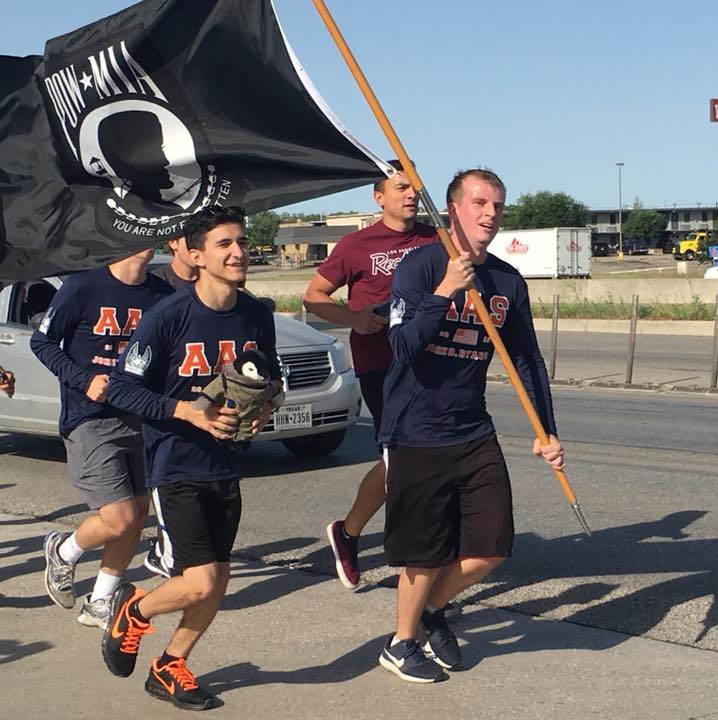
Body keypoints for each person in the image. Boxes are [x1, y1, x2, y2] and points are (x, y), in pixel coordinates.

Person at [377, 169, 564, 683]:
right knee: (423, 552)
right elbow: (402, 348)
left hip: (472, 429)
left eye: (498, 206)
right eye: (479, 203)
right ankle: (401, 642)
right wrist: (443, 292)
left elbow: (527, 360)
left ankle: (433, 611)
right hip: (415, 429)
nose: (490, 214)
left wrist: (545, 430)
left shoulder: (506, 281)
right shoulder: (418, 267)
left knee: (492, 545)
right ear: (453, 209)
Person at [103, 205, 278, 711]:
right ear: (195, 256)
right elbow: (121, 389)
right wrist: (189, 412)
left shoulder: (256, 314)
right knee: (199, 580)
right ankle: (133, 611)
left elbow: (269, 375)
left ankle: (170, 665)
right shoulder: (167, 316)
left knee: (217, 581)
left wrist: (265, 406)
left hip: (226, 463)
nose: (238, 252)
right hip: (175, 462)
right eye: (224, 244)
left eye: (241, 242)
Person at [302, 160, 437, 589]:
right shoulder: (357, 244)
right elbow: (314, 297)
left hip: (431, 362)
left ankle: (351, 534)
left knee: (422, 459)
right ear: (378, 196)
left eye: (414, 186)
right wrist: (354, 317)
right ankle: (398, 553)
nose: (411, 194)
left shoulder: (435, 239)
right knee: (400, 458)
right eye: (400, 187)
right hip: (382, 365)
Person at [29, 248, 172, 629]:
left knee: (138, 515)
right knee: (119, 518)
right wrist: (84, 380)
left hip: (140, 418)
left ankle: (101, 599)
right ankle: (64, 549)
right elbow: (42, 343)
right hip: (90, 419)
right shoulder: (82, 286)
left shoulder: (161, 295)